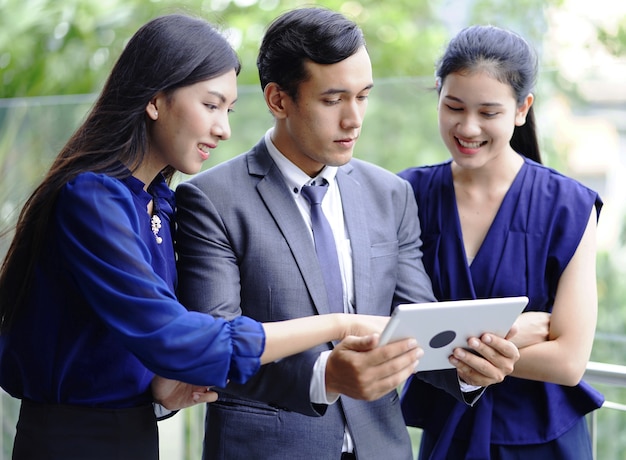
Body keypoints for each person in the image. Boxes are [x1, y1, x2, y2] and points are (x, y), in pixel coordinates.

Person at [0, 14, 406, 460]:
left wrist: (160, 390)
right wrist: (340, 323)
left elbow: (129, 343)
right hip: (70, 444)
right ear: (156, 101)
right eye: (210, 106)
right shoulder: (93, 198)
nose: (223, 129)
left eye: (227, 110)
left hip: (133, 434)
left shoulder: (155, 201)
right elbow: (174, 335)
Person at [175, 8, 520, 460]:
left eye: (363, 96)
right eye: (333, 99)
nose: (354, 119)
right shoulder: (211, 198)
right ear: (278, 100)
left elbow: (414, 320)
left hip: (382, 446)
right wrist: (326, 376)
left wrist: (469, 367)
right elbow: (216, 348)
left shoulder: (390, 193)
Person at [398, 24, 605, 459]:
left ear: (521, 108)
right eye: (454, 106)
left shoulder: (568, 204)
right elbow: (389, 332)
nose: (468, 127)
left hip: (545, 444)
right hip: (448, 435)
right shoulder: (406, 195)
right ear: (437, 94)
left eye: (488, 112)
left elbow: (568, 362)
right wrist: (513, 335)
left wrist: (448, 344)